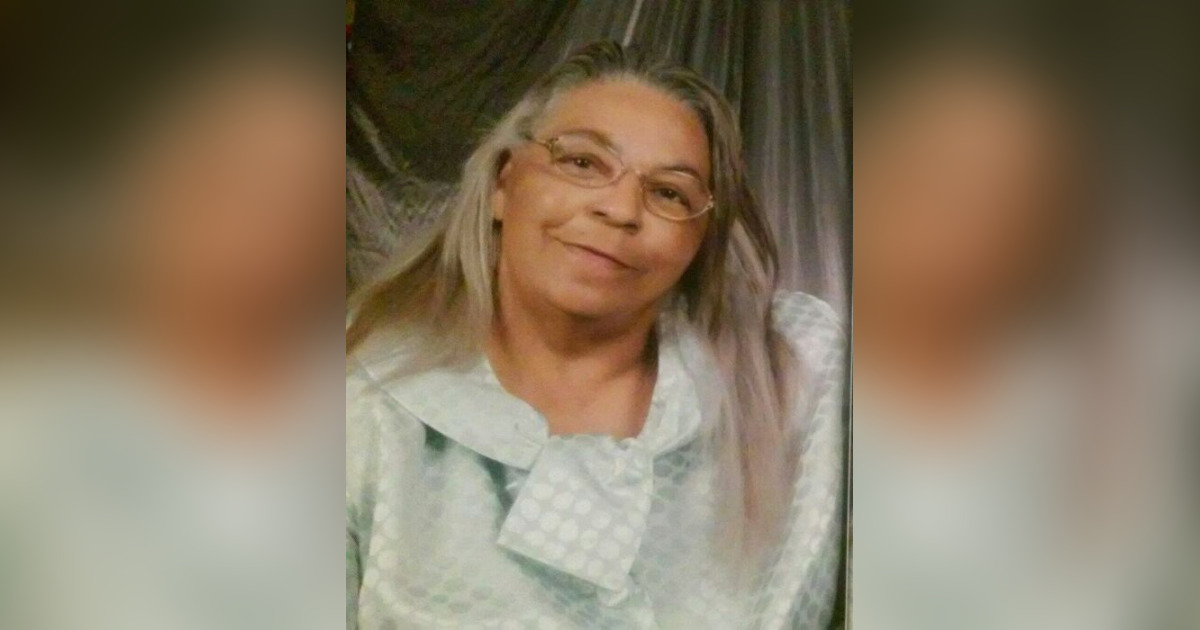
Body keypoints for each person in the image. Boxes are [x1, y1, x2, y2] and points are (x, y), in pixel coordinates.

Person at [346, 41, 847, 628]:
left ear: (701, 241)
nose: (621, 208)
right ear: (504, 183)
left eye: (669, 192)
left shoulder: (803, 369)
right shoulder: (349, 404)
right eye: (582, 162)